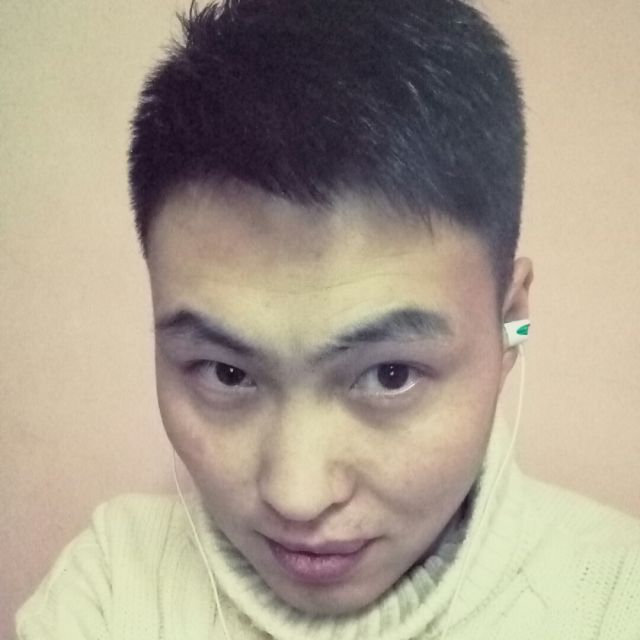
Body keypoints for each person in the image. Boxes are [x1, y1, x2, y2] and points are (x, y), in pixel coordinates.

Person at [15, 0, 640, 638]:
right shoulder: (110, 586)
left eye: (390, 374)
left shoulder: (619, 598)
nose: (298, 497)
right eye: (226, 373)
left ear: (512, 324)